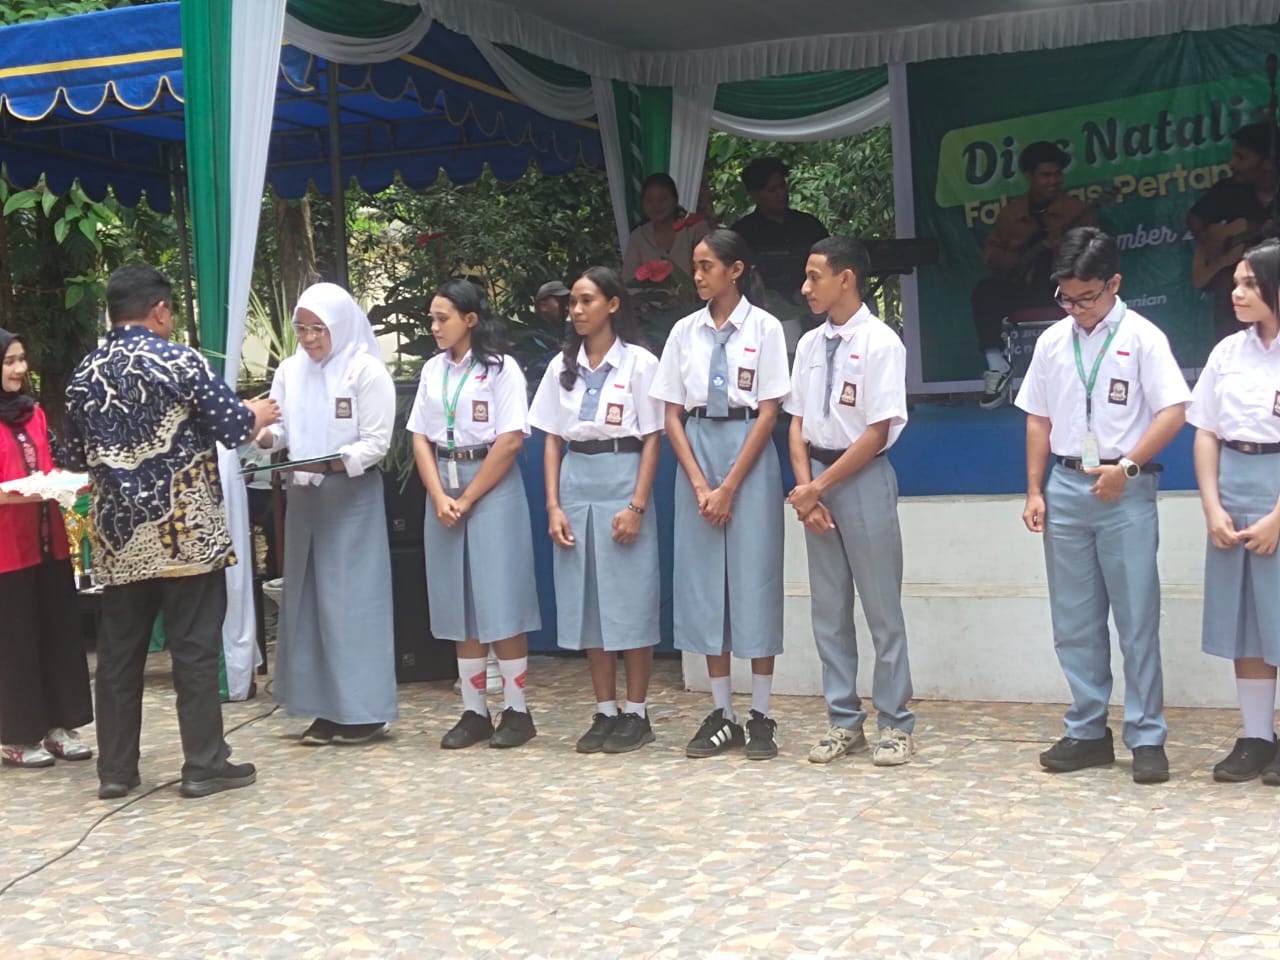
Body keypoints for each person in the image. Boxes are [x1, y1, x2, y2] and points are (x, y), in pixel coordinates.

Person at [63, 264, 280, 800]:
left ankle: (116, 771)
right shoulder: (181, 361)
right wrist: (256, 410)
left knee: (118, 657)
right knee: (194, 650)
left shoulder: (84, 374)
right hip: (186, 536)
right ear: (159, 310)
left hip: (120, 541)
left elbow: (71, 455)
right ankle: (203, 764)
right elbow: (232, 427)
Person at [1014, 227, 1190, 785]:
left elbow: (1174, 411)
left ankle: (1147, 735)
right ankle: (1088, 729)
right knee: (1073, 620)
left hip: (1125, 488)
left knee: (1136, 618)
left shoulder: (1143, 338)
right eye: (1066, 298)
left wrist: (1128, 467)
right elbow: (1038, 417)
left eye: (1086, 297)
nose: (1076, 309)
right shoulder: (1052, 341)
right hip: (1066, 486)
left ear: (1114, 283)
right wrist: (1035, 489)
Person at [650, 229, 790, 760]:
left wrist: (729, 485)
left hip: (748, 448)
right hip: (697, 447)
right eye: (696, 266)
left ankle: (761, 713)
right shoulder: (684, 331)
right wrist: (700, 483)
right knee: (705, 581)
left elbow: (770, 411)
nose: (699, 275)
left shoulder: (765, 328)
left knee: (754, 576)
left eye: (707, 265)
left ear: (735, 270)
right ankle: (722, 712)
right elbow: (670, 413)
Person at [784, 238, 916, 766]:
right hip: (815, 478)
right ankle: (843, 720)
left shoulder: (881, 342)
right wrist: (807, 491)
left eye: (815, 276)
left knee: (882, 607)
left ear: (847, 279)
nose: (805, 287)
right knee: (829, 608)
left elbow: (876, 431)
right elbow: (796, 422)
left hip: (861, 477)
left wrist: (818, 488)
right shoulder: (809, 344)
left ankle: (895, 723)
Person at [529, 267, 664, 754]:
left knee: (630, 598)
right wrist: (553, 505)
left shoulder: (640, 363)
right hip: (576, 478)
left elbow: (653, 439)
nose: (578, 310)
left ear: (613, 304)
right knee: (587, 599)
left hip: (622, 474)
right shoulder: (560, 366)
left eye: (587, 300)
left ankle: (637, 712)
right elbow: (550, 439)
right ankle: (605, 709)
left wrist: (637, 505)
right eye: (573, 303)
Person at [258, 283, 398, 746]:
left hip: (350, 496)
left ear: (339, 325)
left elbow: (376, 443)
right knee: (308, 599)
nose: (309, 338)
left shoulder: (366, 370)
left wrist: (332, 464)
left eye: (319, 329)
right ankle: (322, 706)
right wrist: (263, 436)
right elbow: (281, 429)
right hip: (304, 498)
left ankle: (363, 711)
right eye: (302, 328)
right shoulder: (290, 370)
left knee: (352, 601)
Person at [408, 279, 541, 749]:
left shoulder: (501, 369)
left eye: (442, 318)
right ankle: (474, 710)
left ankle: (517, 711)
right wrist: (439, 495)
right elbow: (420, 436)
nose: (434, 326)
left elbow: (510, 440)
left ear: (470, 320)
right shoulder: (433, 370)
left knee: (499, 598)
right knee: (458, 601)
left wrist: (466, 499)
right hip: (443, 482)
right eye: (432, 318)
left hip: (491, 484)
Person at [1187, 240, 1280, 783]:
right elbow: (1206, 431)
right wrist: (1212, 506)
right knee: (1246, 620)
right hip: (1233, 483)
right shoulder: (1227, 352)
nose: (1237, 292)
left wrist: (1278, 517)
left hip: (1276, 489)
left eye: (1250, 283)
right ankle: (1257, 736)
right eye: (1236, 282)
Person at [0, 328, 94, 769]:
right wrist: (23, 492)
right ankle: (16, 735)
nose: (19, 369)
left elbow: (50, 468)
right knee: (16, 641)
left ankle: (60, 726)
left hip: (48, 542)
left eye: (22, 359)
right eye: (9, 361)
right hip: (8, 552)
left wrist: (64, 484)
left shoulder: (33, 414)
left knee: (58, 632)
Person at [972, 141, 1098, 410]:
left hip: (1061, 291)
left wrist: (1063, 249)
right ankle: (997, 364)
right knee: (985, 291)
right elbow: (991, 254)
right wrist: (1017, 258)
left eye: (1057, 174)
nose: (1054, 180)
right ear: (1030, 176)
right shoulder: (1011, 214)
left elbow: (1094, 257)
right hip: (1023, 287)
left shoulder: (1077, 211)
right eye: (1045, 175)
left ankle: (1089, 374)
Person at [1187, 123, 1279, 344]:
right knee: (1227, 283)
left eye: (1241, 158)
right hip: (1237, 278)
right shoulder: (1228, 190)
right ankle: (1230, 349)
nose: (1232, 164)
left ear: (1268, 162)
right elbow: (1194, 218)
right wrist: (1209, 242)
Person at [730, 158, 828, 303]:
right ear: (755, 195)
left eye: (782, 186)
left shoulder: (809, 225)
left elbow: (831, 266)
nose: (781, 193)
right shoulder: (742, 233)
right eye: (772, 190)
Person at [621, 172, 711, 281]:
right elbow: (629, 279)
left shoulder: (694, 228)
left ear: (675, 200)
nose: (657, 205)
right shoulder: (638, 237)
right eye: (650, 200)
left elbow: (710, 269)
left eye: (663, 199)